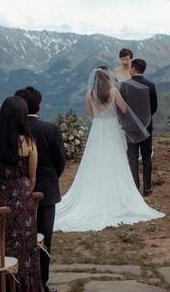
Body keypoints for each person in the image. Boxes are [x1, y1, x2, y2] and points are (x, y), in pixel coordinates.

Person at [54, 68, 163, 232]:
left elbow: (89, 112)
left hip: (98, 128)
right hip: (112, 127)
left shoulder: (91, 93)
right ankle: (118, 194)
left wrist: (100, 115)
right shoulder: (114, 91)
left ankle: (95, 190)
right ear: (108, 78)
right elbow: (124, 110)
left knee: (95, 160)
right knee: (116, 159)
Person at [0, 96, 42, 292]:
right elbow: (32, 178)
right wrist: (21, 192)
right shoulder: (29, 143)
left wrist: (0, 187)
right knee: (24, 251)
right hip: (21, 204)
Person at [16, 87, 67, 292]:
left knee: (17, 236)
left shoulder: (12, 131)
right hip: (46, 189)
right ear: (38, 106)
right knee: (44, 237)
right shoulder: (51, 130)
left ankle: (18, 279)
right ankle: (41, 283)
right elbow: (61, 161)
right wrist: (51, 178)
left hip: (18, 192)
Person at [121, 58, 158, 194]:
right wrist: (144, 119)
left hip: (130, 127)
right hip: (146, 127)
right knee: (147, 157)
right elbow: (154, 107)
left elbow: (122, 108)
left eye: (131, 68)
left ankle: (134, 188)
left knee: (132, 157)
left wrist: (129, 120)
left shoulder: (125, 85)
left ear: (134, 69)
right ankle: (147, 188)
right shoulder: (151, 85)